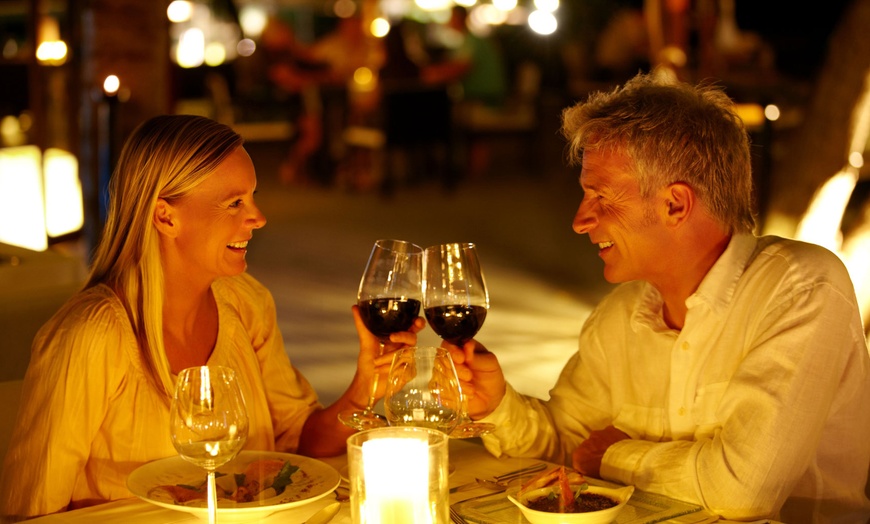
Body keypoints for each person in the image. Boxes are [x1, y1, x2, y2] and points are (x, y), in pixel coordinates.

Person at [447, 71, 870, 522]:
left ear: (675, 205)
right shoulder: (622, 315)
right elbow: (568, 447)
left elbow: (744, 490)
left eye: (600, 196)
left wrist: (616, 457)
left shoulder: (801, 289)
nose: (580, 220)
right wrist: (496, 405)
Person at [0, 115, 423, 520]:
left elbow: (298, 443)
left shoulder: (245, 302)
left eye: (252, 197)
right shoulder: (92, 335)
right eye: (234, 202)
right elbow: (31, 509)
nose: (258, 218)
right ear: (166, 215)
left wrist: (364, 389)